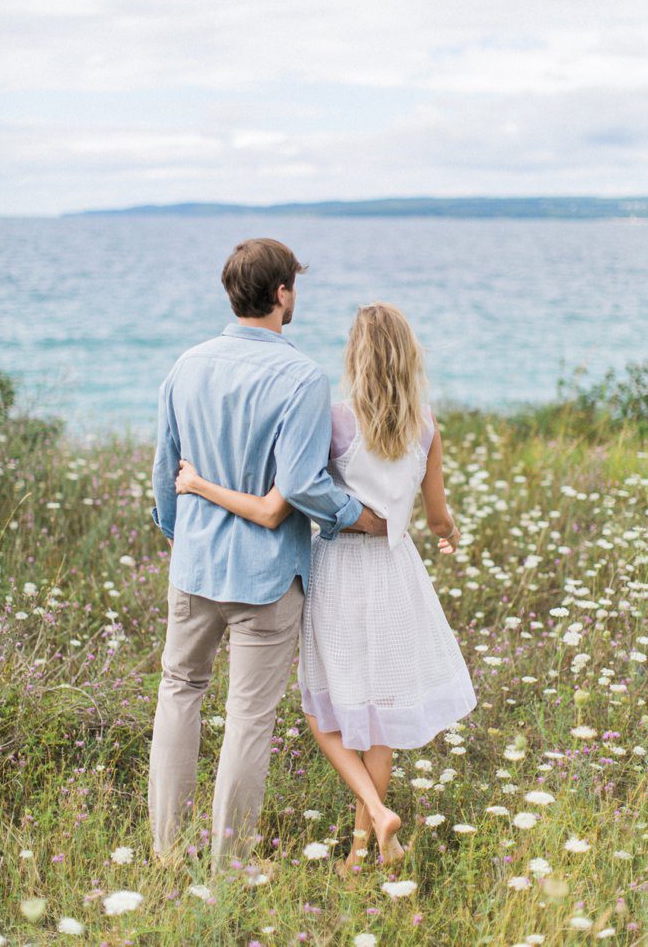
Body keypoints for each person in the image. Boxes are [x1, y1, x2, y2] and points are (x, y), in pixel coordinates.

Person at [175, 302, 476, 872]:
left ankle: (373, 813)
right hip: (395, 571)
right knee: (380, 718)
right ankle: (362, 852)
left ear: (355, 357)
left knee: (322, 710)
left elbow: (301, 490)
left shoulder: (337, 420)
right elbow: (435, 516)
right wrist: (448, 533)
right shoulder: (427, 425)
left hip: (338, 569)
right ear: (409, 357)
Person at [148, 238, 387, 872]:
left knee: (179, 692)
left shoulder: (187, 365)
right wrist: (358, 519)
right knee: (248, 717)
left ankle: (167, 852)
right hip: (268, 576)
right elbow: (304, 484)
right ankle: (229, 865)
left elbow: (163, 468)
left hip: (195, 565)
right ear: (281, 294)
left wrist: (182, 532)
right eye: (294, 288)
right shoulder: (301, 375)